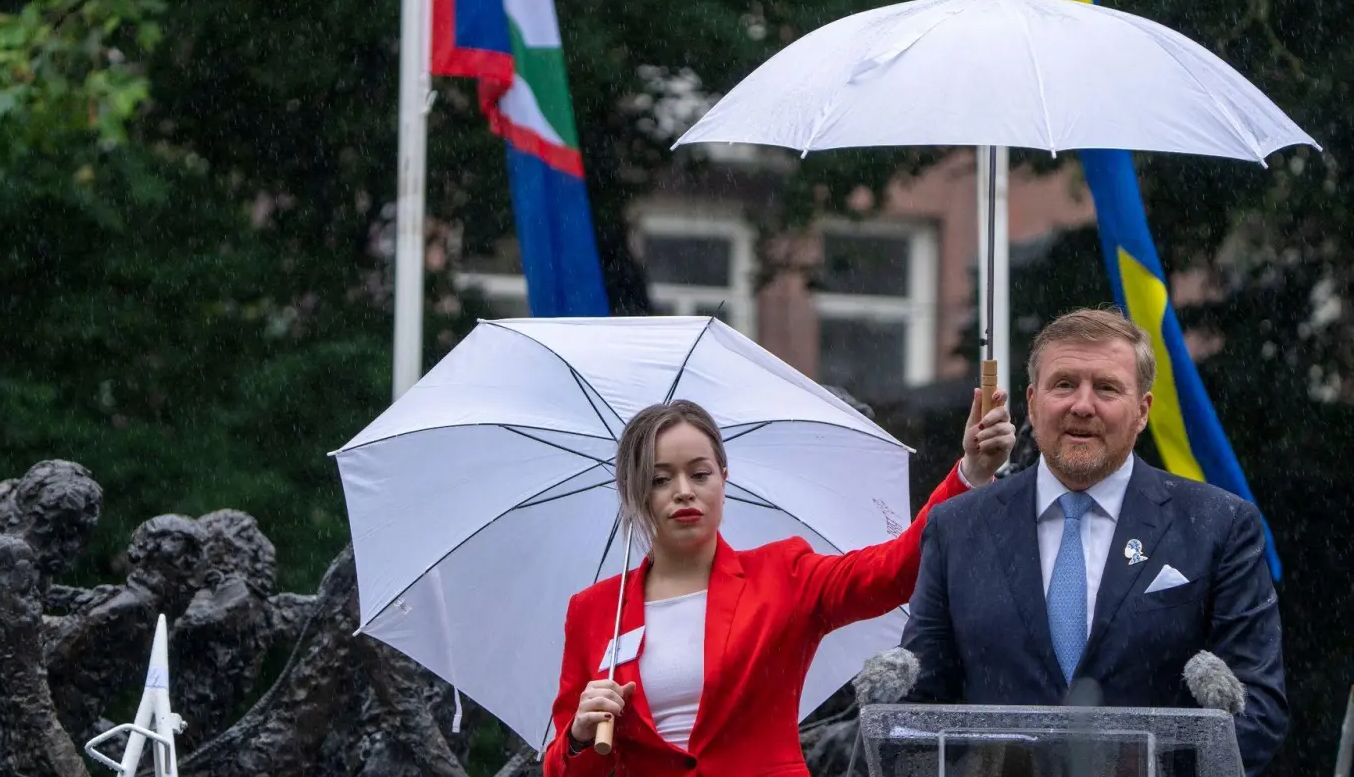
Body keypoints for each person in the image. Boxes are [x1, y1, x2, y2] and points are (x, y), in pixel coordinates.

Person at [544, 390, 1015, 775]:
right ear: (634, 493)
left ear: (723, 479)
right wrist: (581, 736)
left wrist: (970, 474)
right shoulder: (593, 611)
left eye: (700, 473)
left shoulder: (783, 573)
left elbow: (894, 569)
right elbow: (561, 769)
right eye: (660, 479)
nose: (684, 490)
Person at [899, 308, 1287, 776]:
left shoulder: (1218, 526)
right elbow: (916, 711)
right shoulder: (957, 528)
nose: (1082, 405)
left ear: (1142, 411)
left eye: (1106, 388)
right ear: (1033, 400)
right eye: (1064, 385)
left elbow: (1257, 709)